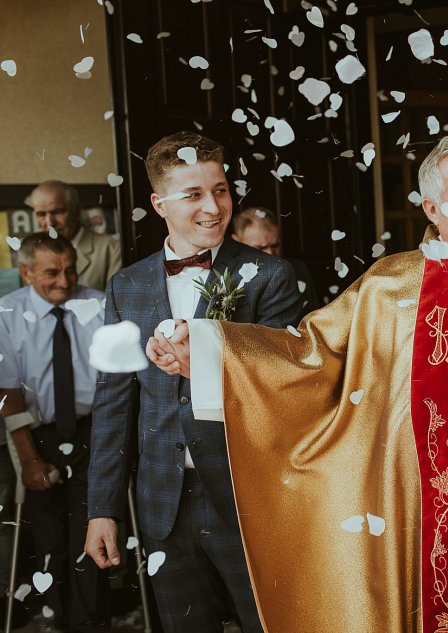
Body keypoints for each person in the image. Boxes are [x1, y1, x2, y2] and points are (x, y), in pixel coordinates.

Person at [148, 136, 448, 632]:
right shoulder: (388, 285)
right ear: (431, 208)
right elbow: (309, 353)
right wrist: (211, 352)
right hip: (416, 512)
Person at [82, 132, 303, 633]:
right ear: (159, 204)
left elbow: (285, 386)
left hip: (247, 497)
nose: (213, 207)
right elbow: (113, 405)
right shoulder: (126, 286)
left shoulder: (267, 275)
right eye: (194, 195)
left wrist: (202, 365)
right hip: (163, 501)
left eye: (220, 190)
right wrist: (102, 510)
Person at [0, 233, 110, 632]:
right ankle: (58, 620)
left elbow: (116, 382)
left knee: (92, 530)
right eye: (52, 272)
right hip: (36, 434)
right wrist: (29, 460)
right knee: (49, 538)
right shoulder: (7, 314)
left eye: (70, 270)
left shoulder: (99, 305)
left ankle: (89, 623)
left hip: (92, 432)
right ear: (26, 273)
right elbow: (9, 395)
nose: (65, 281)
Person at [28, 181, 122, 291]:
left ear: (77, 211)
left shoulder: (112, 249)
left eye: (57, 212)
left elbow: (114, 299)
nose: (50, 222)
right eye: (41, 214)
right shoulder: (32, 252)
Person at [231, 205, 319, 310]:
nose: (270, 254)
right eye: (260, 248)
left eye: (275, 245)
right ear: (237, 242)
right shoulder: (228, 277)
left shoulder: (298, 269)